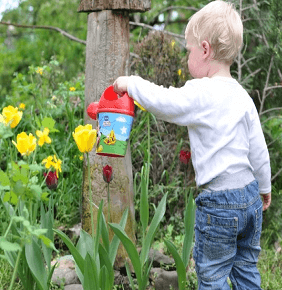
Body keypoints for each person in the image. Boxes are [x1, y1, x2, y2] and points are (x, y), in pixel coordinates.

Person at [113, 0, 271, 288]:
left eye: (189, 50)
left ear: (206, 50)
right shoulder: (242, 96)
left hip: (220, 203)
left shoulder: (201, 92)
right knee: (246, 268)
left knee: (212, 275)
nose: (187, 58)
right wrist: (264, 187)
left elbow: (165, 102)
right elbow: (258, 148)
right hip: (249, 197)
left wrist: (131, 83)